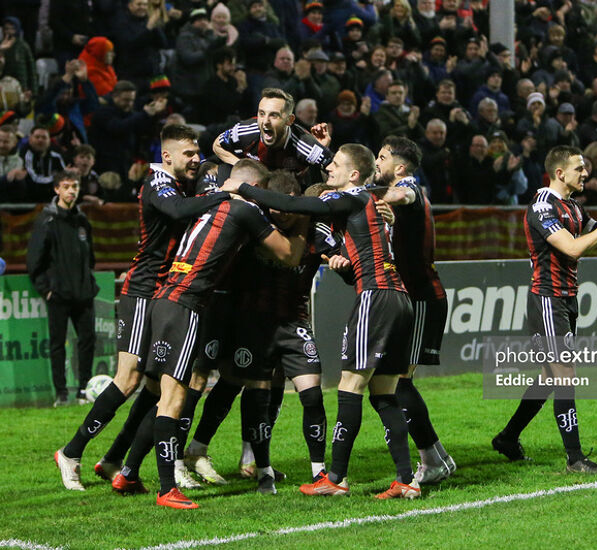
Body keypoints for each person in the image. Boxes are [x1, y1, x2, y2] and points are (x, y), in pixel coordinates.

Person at [223, 140, 419, 499]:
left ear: (353, 174)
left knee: (349, 388)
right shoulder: (371, 203)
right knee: (385, 394)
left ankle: (336, 479)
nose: (329, 169)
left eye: (336, 165)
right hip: (400, 298)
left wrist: (245, 188)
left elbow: (296, 204)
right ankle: (406, 480)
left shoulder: (352, 196)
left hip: (375, 297)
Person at [52, 124, 229, 492]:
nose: (195, 160)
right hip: (143, 292)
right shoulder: (158, 183)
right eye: (188, 154)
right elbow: (178, 211)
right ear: (167, 156)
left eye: (197, 153)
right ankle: (71, 452)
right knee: (129, 379)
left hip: (165, 293)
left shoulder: (181, 182)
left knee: (152, 387)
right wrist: (224, 195)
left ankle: (118, 460)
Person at [132, 159, 298, 509]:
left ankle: (128, 470)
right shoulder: (247, 209)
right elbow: (286, 253)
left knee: (157, 391)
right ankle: (166, 487)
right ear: (253, 188)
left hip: (163, 297)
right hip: (187, 303)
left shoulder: (208, 199)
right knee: (174, 398)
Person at [491, 145, 597, 471]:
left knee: (550, 376)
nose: (586, 173)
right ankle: (575, 458)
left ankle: (508, 437)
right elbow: (572, 247)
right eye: (579, 168)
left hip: (566, 300)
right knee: (565, 376)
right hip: (547, 300)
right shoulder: (542, 207)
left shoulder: (572, 207)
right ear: (559, 173)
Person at [375, 136, 455, 484]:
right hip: (413, 298)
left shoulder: (408, 188)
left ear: (400, 167)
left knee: (396, 382)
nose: (377, 163)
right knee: (393, 381)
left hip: (422, 298)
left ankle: (431, 460)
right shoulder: (399, 194)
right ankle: (437, 459)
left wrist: (380, 194)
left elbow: (404, 194)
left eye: (381, 157)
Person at [27, 170, 98, 408]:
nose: (71, 191)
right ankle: (61, 393)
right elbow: (34, 262)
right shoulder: (46, 220)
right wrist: (46, 289)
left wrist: (88, 281)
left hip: (83, 293)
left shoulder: (82, 220)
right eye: (66, 186)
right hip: (58, 295)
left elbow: (91, 257)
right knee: (58, 344)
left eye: (75, 186)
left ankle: (83, 390)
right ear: (56, 189)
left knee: (87, 340)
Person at [212, 87, 332, 186]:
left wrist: (323, 149)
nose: (265, 122)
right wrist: (244, 167)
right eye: (262, 114)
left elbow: (338, 169)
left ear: (289, 120)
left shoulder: (305, 146)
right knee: (218, 168)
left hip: (287, 193)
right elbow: (217, 144)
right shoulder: (246, 130)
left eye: (274, 115)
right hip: (252, 185)